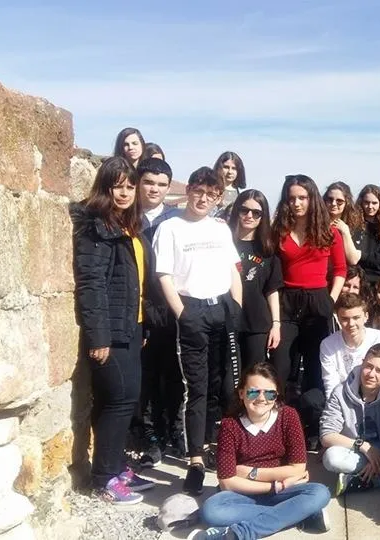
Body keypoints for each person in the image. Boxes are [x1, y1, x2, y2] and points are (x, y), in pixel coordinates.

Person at [154, 166, 243, 495]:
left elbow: (232, 268)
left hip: (221, 307)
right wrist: (182, 315)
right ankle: (194, 460)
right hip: (191, 309)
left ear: (218, 197)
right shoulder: (171, 227)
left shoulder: (220, 228)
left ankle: (223, 450)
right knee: (197, 388)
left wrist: (237, 305)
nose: (204, 198)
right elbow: (164, 275)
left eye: (211, 194)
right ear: (189, 190)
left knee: (226, 386)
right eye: (199, 191)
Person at [72, 156, 155, 504]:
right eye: (116, 185)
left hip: (131, 326)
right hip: (111, 332)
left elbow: (136, 280)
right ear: (105, 188)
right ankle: (105, 477)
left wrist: (144, 323)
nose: (124, 192)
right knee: (119, 400)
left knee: (119, 400)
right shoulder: (96, 226)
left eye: (129, 185)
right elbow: (90, 284)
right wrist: (99, 336)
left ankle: (115, 465)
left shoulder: (127, 224)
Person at [190, 363, 330, 540]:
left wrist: (252, 473)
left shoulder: (289, 416)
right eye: (253, 392)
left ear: (277, 394)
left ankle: (239, 533)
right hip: (246, 494)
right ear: (242, 393)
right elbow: (227, 482)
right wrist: (274, 486)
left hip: (284, 493)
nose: (262, 398)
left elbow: (298, 468)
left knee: (320, 492)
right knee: (211, 510)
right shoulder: (229, 425)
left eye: (270, 393)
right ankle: (298, 515)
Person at [270, 175, 346, 398]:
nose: (297, 203)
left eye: (302, 197)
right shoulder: (279, 232)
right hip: (287, 301)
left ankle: (312, 423)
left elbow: (341, 270)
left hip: (318, 300)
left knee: (315, 367)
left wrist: (330, 299)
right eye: (292, 198)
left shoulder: (329, 232)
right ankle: (280, 416)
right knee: (282, 364)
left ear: (312, 199)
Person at [136, 157, 184, 466]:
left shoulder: (176, 219)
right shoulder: (128, 217)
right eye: (149, 182)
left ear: (168, 188)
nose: (154, 189)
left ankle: (175, 432)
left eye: (161, 184)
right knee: (147, 377)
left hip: (172, 307)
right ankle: (152, 437)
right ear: (139, 183)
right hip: (140, 307)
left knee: (176, 376)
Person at [320, 344, 380, 494]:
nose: (371, 374)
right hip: (354, 448)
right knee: (331, 458)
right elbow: (327, 435)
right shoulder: (340, 392)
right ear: (362, 362)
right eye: (368, 366)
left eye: (379, 371)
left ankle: (367, 480)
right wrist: (364, 447)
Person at [227, 190, 283, 369]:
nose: (249, 216)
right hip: (225, 321)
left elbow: (271, 290)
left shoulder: (267, 249)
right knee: (228, 380)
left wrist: (276, 325)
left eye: (256, 212)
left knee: (254, 375)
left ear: (262, 216)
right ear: (237, 210)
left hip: (257, 323)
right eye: (244, 210)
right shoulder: (223, 241)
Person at [320, 293, 380, 398]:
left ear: (366, 316)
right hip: (341, 396)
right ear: (338, 319)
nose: (351, 324)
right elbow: (331, 384)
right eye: (345, 319)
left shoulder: (379, 338)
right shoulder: (328, 344)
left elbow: (379, 379)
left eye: (356, 318)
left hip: (372, 396)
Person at [354, 185, 380, 283]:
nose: (370, 207)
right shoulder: (353, 227)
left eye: (374, 203)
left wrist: (361, 256)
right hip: (359, 281)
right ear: (361, 202)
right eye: (367, 202)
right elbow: (352, 260)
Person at [325, 182, 364, 267]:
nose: (333, 204)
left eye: (339, 201)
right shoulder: (317, 223)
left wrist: (345, 231)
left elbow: (353, 260)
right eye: (330, 199)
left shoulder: (355, 226)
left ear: (347, 203)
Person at [213, 151, 246, 218]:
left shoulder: (242, 195)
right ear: (219, 168)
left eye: (234, 168)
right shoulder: (211, 190)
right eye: (226, 167)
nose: (230, 172)